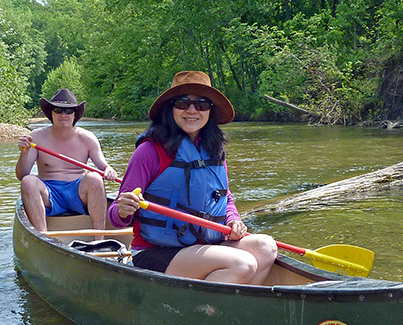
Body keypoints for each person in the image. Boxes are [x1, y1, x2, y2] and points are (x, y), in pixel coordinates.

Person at [108, 71, 278, 285]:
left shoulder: (214, 151)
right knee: (243, 264)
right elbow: (115, 217)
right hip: (157, 252)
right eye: (182, 103)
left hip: (204, 246)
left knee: (266, 247)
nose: (192, 110)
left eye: (202, 104)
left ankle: (232, 308)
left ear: (210, 111)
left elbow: (226, 198)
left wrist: (234, 219)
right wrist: (123, 209)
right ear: (170, 109)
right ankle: (210, 311)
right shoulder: (149, 152)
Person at [16, 88, 117, 234]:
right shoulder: (35, 137)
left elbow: (104, 166)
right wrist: (24, 153)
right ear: (51, 113)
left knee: (95, 178)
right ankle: (44, 238)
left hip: (78, 192)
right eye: (58, 110)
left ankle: (99, 238)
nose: (63, 114)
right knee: (28, 181)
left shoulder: (88, 138)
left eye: (68, 111)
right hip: (48, 192)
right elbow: (22, 175)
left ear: (75, 114)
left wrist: (109, 170)